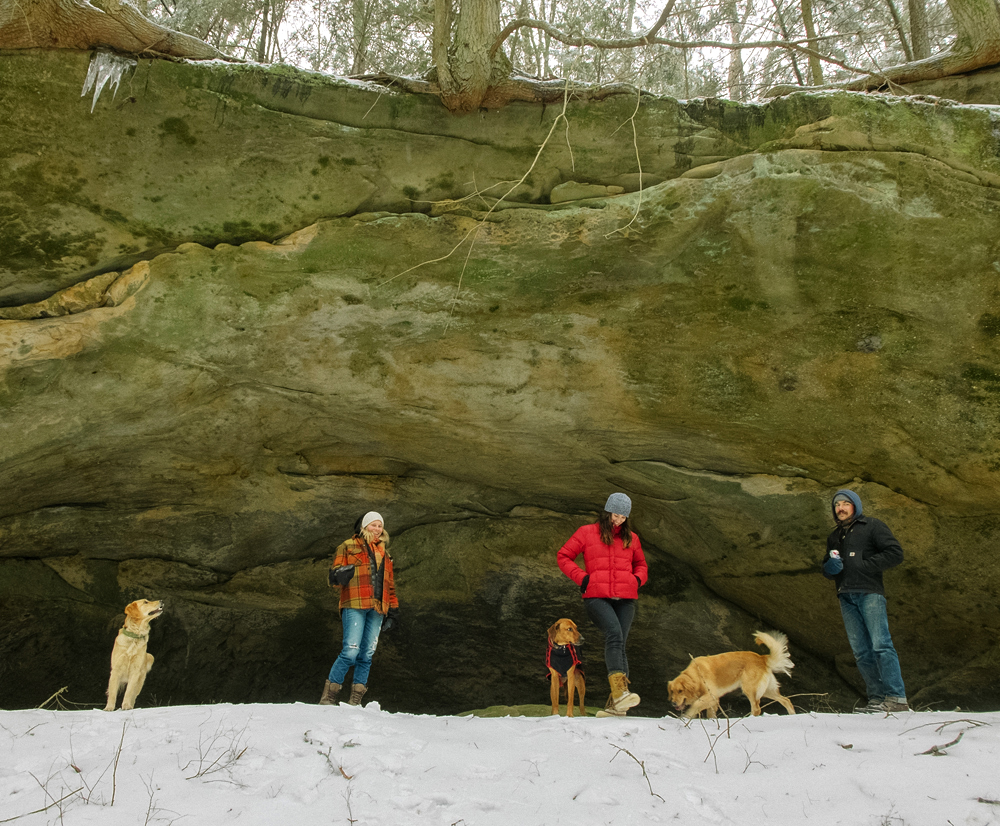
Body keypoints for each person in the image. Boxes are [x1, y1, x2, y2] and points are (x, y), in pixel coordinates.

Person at [557, 492, 648, 718]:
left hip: (626, 598)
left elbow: (642, 566)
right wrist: (583, 578)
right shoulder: (586, 533)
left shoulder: (632, 538)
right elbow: (563, 556)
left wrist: (636, 580)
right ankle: (620, 694)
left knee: (620, 644)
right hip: (596, 596)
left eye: (623, 517)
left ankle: (616, 706)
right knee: (614, 635)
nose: (618, 520)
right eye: (615, 515)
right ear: (607, 512)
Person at [821, 489, 908, 713]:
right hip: (845, 595)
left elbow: (895, 553)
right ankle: (877, 699)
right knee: (861, 651)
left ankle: (896, 698)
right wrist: (830, 568)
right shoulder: (834, 536)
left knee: (881, 645)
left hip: (869, 592)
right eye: (837, 505)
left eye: (845, 503)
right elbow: (827, 568)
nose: (840, 508)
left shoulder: (872, 526)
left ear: (855, 506)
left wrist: (864, 565)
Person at [320, 511, 399, 706]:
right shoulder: (347, 546)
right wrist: (339, 575)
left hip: (378, 608)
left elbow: (390, 585)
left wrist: (394, 610)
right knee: (350, 651)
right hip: (355, 603)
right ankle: (328, 698)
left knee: (367, 654)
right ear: (364, 527)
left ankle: (355, 703)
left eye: (380, 526)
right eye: (373, 525)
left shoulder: (386, 554)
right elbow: (334, 577)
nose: (377, 529)